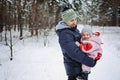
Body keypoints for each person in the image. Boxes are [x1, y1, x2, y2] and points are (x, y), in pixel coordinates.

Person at [56, 7, 97, 80]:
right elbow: (74, 52)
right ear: (65, 21)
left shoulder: (74, 30)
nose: (74, 22)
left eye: (75, 19)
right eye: (72, 20)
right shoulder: (65, 34)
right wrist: (90, 61)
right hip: (74, 69)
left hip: (80, 67)